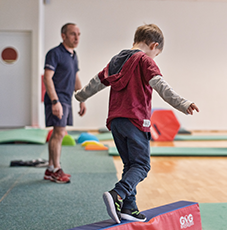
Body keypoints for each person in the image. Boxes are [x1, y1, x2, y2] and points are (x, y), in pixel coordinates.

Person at [74, 24, 199, 223]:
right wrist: (183, 103)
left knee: (130, 165)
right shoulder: (145, 61)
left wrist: (80, 95)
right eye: (156, 54)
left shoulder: (116, 61)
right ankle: (118, 194)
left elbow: (95, 83)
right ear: (153, 45)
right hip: (135, 121)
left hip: (115, 121)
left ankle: (129, 208)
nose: (154, 57)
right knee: (142, 165)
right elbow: (161, 87)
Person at [43, 23, 86, 184]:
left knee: (58, 133)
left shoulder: (74, 55)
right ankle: (56, 169)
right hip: (57, 99)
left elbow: (75, 78)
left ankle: (50, 169)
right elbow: (47, 78)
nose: (77, 38)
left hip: (67, 100)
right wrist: (55, 101)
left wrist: (81, 98)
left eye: (79, 34)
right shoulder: (54, 53)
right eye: (73, 34)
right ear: (63, 36)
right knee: (60, 133)